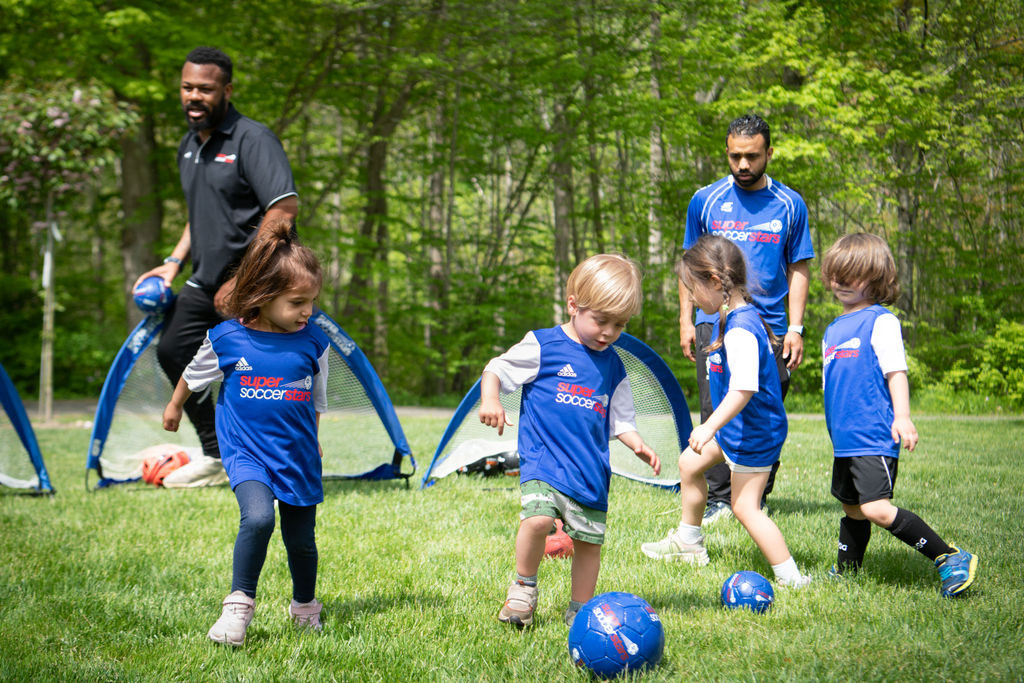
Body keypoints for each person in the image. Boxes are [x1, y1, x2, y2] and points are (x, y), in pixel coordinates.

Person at [136, 46, 299, 488]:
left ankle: (276, 457)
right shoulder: (189, 145)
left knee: (267, 371)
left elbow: (283, 210)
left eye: (205, 89)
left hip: (257, 282)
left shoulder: (252, 138)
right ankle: (217, 453)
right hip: (205, 279)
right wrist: (172, 262)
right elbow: (200, 212)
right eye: (187, 87)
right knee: (173, 350)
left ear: (226, 90)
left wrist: (244, 280)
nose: (194, 96)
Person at [163, 219, 329, 645]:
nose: (307, 311)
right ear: (264, 295)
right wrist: (175, 405)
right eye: (297, 302)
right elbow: (192, 374)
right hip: (247, 453)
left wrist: (314, 437)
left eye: (311, 301)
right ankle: (238, 608)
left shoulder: (315, 343)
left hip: (297, 454)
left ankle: (305, 605)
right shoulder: (227, 339)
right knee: (256, 519)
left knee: (301, 541)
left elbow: (315, 398)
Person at [479, 254, 661, 628]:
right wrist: (491, 399)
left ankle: (581, 610)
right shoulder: (542, 345)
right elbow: (496, 368)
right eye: (600, 320)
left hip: (590, 471)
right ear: (573, 305)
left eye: (619, 325)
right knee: (537, 519)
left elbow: (621, 418)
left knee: (589, 544)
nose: (608, 332)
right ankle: (523, 589)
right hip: (543, 462)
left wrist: (636, 442)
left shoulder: (614, 365)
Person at [642, 235, 811, 589]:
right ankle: (688, 542)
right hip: (735, 428)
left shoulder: (741, 329)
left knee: (744, 507)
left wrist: (708, 427)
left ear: (716, 283)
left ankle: (791, 577)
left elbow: (743, 389)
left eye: (693, 288)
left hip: (753, 432)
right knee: (689, 464)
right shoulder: (729, 316)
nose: (689, 296)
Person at [820, 233, 977, 596]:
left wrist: (902, 416)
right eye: (836, 274)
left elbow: (896, 372)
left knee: (875, 507)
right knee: (852, 507)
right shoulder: (832, 329)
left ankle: (950, 556)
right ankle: (847, 572)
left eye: (852, 275)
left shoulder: (881, 320)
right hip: (845, 440)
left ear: (876, 279)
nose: (841, 282)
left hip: (874, 434)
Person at [680, 114, 814, 523]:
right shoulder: (705, 200)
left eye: (752, 156)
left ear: (768, 153)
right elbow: (691, 264)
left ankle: (755, 494)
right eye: (735, 156)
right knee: (715, 409)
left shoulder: (790, 204)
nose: (743, 165)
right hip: (713, 323)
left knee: (763, 409)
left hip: (770, 327)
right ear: (726, 152)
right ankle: (720, 499)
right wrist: (687, 320)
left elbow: (800, 267)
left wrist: (795, 327)